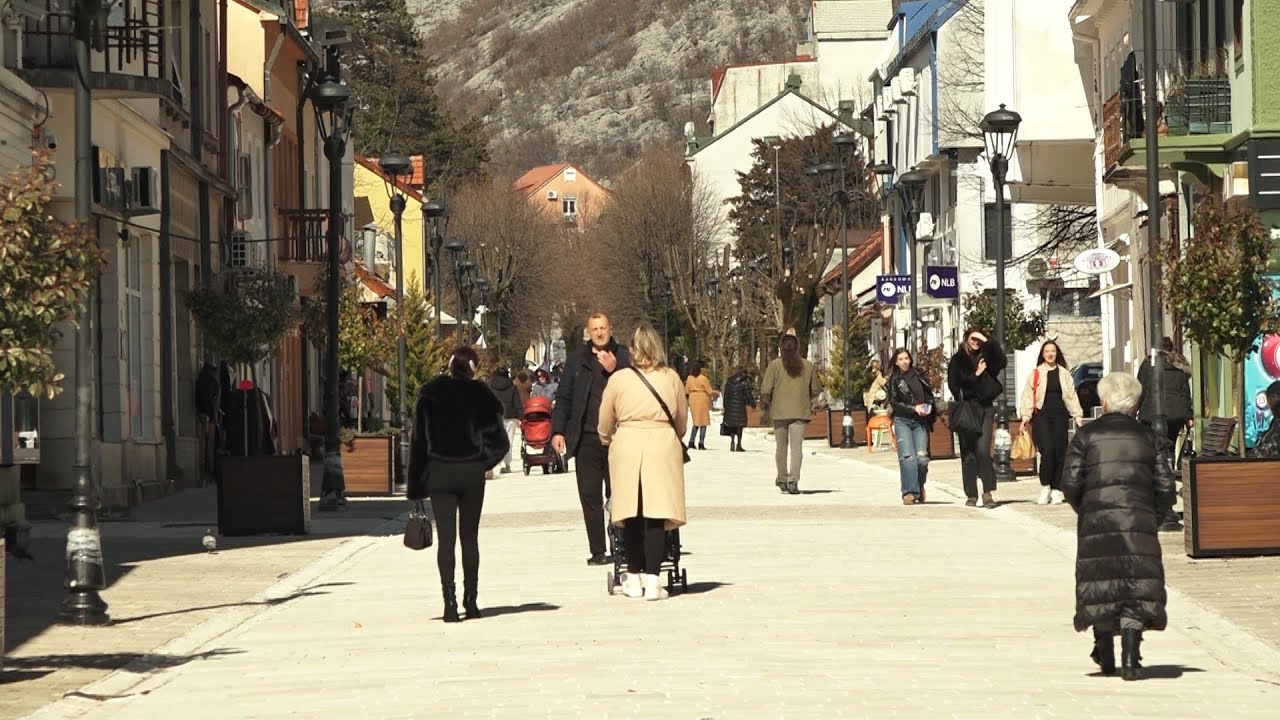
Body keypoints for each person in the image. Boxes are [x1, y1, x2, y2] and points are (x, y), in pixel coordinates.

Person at [1062, 371, 1176, 680]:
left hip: (1097, 519)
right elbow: (1166, 486)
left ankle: (1104, 650)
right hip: (1138, 520)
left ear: (1104, 401)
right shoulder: (1148, 437)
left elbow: (1069, 482)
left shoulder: (1086, 436)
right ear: (1136, 404)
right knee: (1136, 585)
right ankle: (1131, 657)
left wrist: (1085, 508)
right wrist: (1154, 517)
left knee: (1101, 581)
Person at [407, 346, 510, 623]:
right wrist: (482, 462)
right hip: (470, 473)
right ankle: (472, 601)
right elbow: (500, 443)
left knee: (446, 541)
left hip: (439, 472)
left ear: (449, 365)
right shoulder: (481, 395)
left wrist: (416, 486)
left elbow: (418, 444)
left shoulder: (430, 393)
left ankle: (449, 603)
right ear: (474, 368)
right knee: (470, 538)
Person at [598, 325, 688, 601]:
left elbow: (604, 420)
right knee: (656, 515)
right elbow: (681, 419)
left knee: (629, 515)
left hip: (627, 443)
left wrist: (607, 438)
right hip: (661, 444)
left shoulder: (619, 379)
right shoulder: (671, 377)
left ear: (634, 349)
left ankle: (633, 577)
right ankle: (653, 580)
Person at [551, 312, 632, 566]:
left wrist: (615, 368)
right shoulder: (577, 360)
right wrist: (558, 431)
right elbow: (564, 397)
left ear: (611, 328)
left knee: (620, 494)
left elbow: (637, 386)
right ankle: (598, 550)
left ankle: (622, 545)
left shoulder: (625, 356)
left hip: (619, 436)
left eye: (603, 328)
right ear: (589, 332)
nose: (599, 333)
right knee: (589, 495)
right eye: (594, 329)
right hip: (586, 437)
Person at [1018, 340, 1085, 505]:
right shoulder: (1036, 373)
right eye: (1047, 351)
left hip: (1060, 415)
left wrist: (1077, 415)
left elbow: (1071, 395)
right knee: (1047, 451)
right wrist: (1025, 416)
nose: (1050, 354)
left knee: (1060, 451)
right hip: (1042, 416)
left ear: (1057, 354)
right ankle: (1046, 486)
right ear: (1042, 354)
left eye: (1053, 351)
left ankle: (1056, 489)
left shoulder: (1064, 374)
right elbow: (1028, 395)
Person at [947, 327, 1007, 508]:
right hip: (967, 410)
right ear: (966, 339)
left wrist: (986, 339)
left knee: (982, 451)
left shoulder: (986, 358)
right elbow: (955, 386)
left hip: (985, 409)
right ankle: (971, 494)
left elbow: (1002, 361)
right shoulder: (957, 360)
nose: (976, 342)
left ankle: (987, 492)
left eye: (979, 340)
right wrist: (976, 375)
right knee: (969, 454)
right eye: (973, 338)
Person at [760, 334, 822, 495]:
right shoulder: (807, 366)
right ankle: (793, 479)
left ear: (781, 348)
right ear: (797, 347)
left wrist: (768, 404)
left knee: (781, 447)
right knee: (797, 448)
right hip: (800, 412)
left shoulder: (775, 365)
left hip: (779, 413)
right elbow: (816, 389)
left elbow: (766, 389)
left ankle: (782, 477)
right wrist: (809, 400)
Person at [887, 348, 934, 505]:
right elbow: (894, 402)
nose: (904, 362)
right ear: (896, 362)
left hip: (921, 421)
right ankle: (909, 492)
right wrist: (913, 408)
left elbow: (929, 394)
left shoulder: (919, 375)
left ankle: (919, 486)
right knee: (908, 458)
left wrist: (929, 407)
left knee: (922, 458)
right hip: (903, 420)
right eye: (900, 359)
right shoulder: (894, 379)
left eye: (906, 358)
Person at [1137, 336, 1195, 445]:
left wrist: (1135, 410)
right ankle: (1170, 459)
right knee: (1170, 445)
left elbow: (1140, 390)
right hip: (1175, 415)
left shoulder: (1147, 365)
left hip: (1150, 414)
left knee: (1153, 446)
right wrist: (1188, 416)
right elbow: (1185, 395)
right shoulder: (1180, 365)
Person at [488, 368, 523, 474]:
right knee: (509, 441)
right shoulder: (512, 387)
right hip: (510, 416)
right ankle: (507, 464)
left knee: (497, 440)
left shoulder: (491, 386)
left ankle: (500, 463)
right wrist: (520, 417)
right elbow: (517, 403)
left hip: (495, 416)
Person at [684, 361, 717, 450]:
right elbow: (709, 391)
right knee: (703, 422)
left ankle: (691, 441)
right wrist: (716, 392)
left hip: (693, 399)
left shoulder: (689, 378)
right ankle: (701, 442)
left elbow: (686, 391)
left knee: (696, 422)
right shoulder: (703, 378)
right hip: (702, 399)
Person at [721, 366, 752, 452]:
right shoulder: (743, 383)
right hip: (740, 406)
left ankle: (732, 441)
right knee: (739, 426)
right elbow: (748, 394)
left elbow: (726, 394)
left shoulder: (729, 381)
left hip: (730, 406)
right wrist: (752, 403)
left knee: (732, 424)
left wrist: (725, 405)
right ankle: (739, 444)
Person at [1248, 380, 1280, 458]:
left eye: (1270, 399)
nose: (1269, 404)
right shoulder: (1275, 421)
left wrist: (1247, 456)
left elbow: (1269, 450)